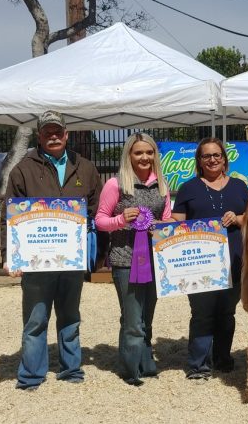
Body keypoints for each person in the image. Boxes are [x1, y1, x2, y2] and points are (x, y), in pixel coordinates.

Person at [2, 110, 102, 390]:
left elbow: (94, 210)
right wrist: (8, 257)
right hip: (35, 263)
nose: (54, 136)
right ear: (39, 135)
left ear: (66, 134)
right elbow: (8, 216)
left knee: (70, 317)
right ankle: (32, 375)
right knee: (35, 320)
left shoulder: (85, 167)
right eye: (48, 132)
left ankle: (71, 370)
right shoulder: (23, 169)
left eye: (58, 131)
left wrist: (90, 250)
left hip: (71, 260)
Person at [95, 133, 172, 386]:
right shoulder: (115, 184)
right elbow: (100, 220)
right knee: (132, 320)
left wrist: (161, 225)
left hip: (155, 261)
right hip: (125, 261)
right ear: (129, 155)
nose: (145, 157)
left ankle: (145, 362)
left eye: (149, 152)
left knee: (146, 319)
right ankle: (131, 370)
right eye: (138, 152)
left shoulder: (162, 184)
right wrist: (120, 220)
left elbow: (169, 218)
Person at [171, 137, 248, 379]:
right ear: (199, 161)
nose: (212, 159)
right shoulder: (188, 188)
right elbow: (177, 221)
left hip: (234, 262)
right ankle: (198, 365)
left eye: (217, 155)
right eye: (207, 156)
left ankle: (223, 359)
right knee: (202, 314)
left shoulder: (239, 186)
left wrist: (238, 218)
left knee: (227, 314)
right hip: (199, 264)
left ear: (224, 160)